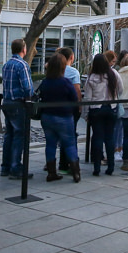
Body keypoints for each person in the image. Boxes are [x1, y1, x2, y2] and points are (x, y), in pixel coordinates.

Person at [38, 53, 80, 183]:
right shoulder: (65, 82)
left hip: (47, 116)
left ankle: (51, 172)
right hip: (64, 116)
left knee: (50, 144)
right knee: (69, 144)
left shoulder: (45, 82)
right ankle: (76, 172)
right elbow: (74, 98)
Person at [83, 53, 123, 176]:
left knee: (97, 138)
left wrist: (85, 114)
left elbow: (87, 97)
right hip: (111, 108)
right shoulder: (113, 74)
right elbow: (121, 89)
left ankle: (97, 167)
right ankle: (111, 166)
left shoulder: (92, 77)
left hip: (96, 109)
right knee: (109, 138)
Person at [1, 39, 34, 180]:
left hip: (7, 101)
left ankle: (5, 166)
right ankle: (15, 167)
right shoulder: (22, 65)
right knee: (19, 135)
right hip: (18, 103)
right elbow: (28, 87)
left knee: (9, 134)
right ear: (24, 49)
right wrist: (31, 97)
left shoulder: (6, 65)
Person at [56, 47, 81, 173]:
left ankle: (61, 164)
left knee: (60, 136)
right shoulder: (73, 72)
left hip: (55, 107)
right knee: (71, 135)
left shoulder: (54, 70)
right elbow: (77, 90)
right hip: (70, 108)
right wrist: (79, 105)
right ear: (71, 57)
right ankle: (72, 163)